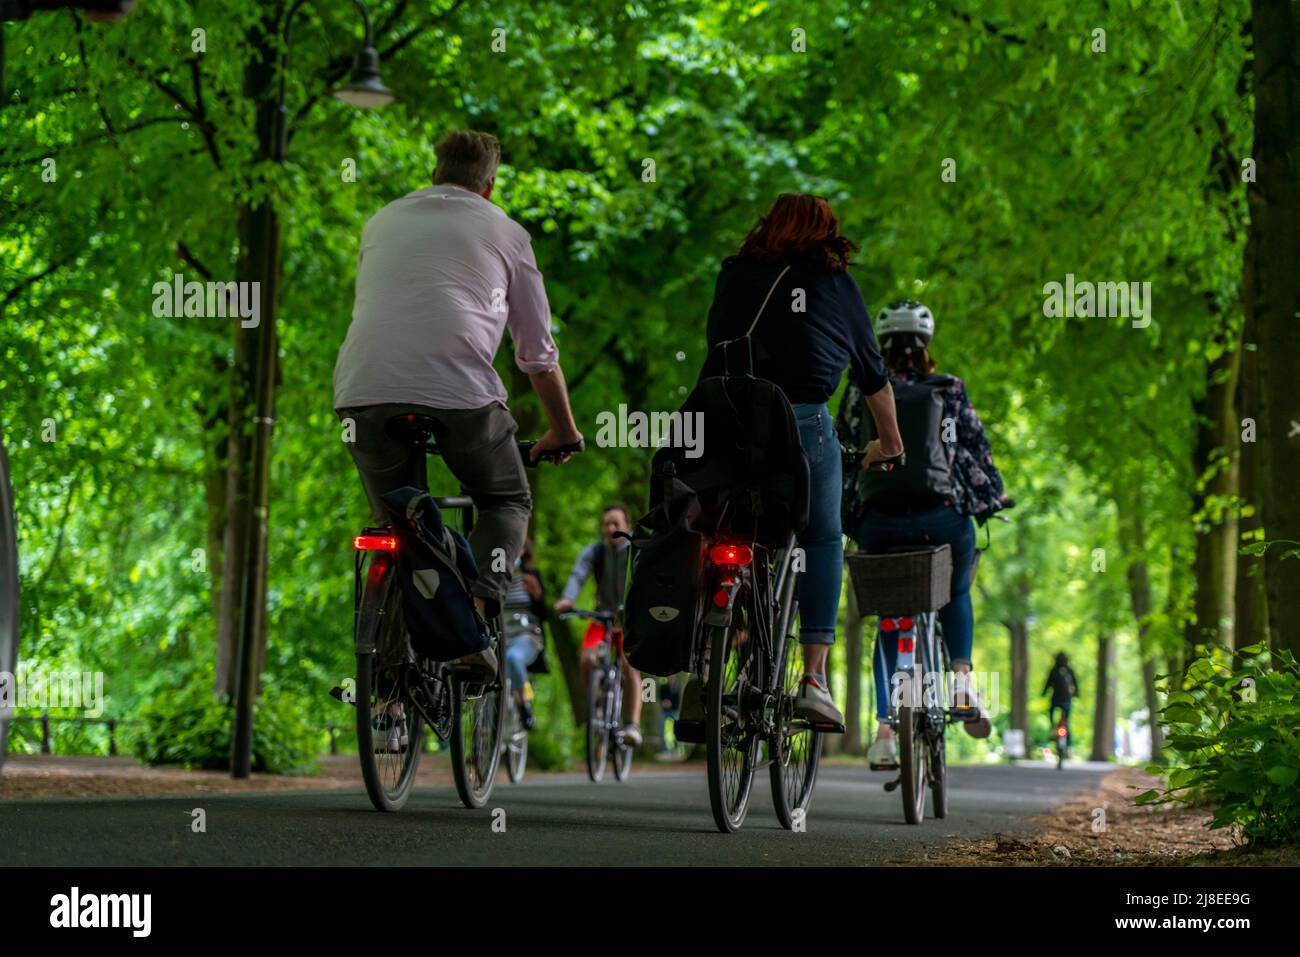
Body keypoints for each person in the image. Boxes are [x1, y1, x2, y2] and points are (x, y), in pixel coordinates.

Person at [334, 130, 583, 677]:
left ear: (434, 171)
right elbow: (537, 355)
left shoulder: (382, 221)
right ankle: (473, 612)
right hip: (462, 397)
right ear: (490, 185)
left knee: (398, 521)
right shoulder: (508, 233)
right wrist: (562, 429)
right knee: (506, 500)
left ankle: (389, 693)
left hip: (362, 392)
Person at [695, 193, 903, 727]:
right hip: (801, 424)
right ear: (826, 234)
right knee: (822, 537)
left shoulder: (733, 274)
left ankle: (703, 669)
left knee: (715, 527)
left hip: (722, 421)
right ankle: (813, 677)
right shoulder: (836, 285)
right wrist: (890, 444)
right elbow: (873, 377)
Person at [838, 301, 1011, 768]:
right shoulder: (949, 389)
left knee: (889, 611)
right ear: (927, 345)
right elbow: (975, 449)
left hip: (879, 522)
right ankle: (960, 680)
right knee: (955, 585)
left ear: (883, 344)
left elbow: (845, 450)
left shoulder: (859, 388)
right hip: (941, 517)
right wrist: (994, 495)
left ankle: (883, 733)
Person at [553, 504, 643, 746]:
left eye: (616, 523)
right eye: (606, 524)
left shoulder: (638, 549)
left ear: (628, 526)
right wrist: (567, 598)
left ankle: (632, 725)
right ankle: (598, 706)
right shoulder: (596, 551)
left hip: (629, 620)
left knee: (629, 665)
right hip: (602, 618)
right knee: (586, 659)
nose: (610, 528)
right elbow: (578, 574)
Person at [503, 538, 547, 729]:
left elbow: (544, 614)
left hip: (526, 636)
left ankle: (525, 703)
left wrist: (537, 595)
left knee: (513, 658)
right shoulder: (495, 577)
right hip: (502, 635)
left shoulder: (531, 577)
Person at [1043, 652, 1078, 746]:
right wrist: (1076, 694)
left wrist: (1044, 693)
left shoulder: (1054, 670)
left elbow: (1048, 683)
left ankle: (1053, 730)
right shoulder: (1068, 670)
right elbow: (1075, 683)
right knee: (1066, 721)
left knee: (1053, 715)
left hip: (1056, 699)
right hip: (1065, 699)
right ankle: (1068, 742)